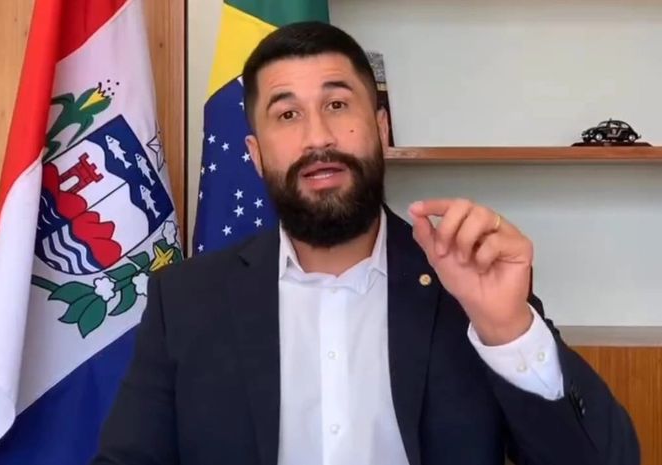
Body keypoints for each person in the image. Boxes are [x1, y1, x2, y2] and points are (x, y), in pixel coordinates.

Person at [92, 22, 639, 465]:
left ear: (381, 128)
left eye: (337, 105)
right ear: (256, 156)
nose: (318, 137)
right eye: (287, 114)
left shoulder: (466, 281)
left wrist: (508, 330)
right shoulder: (186, 301)